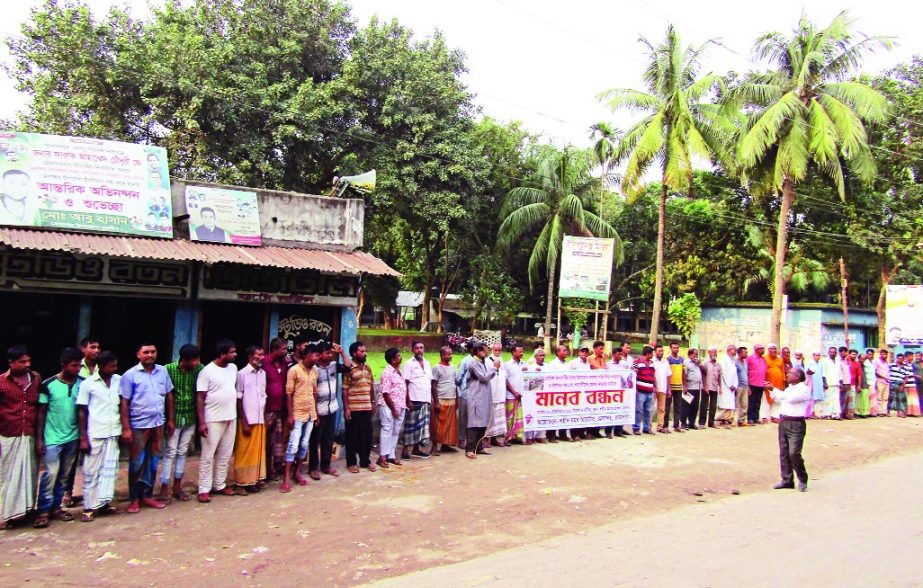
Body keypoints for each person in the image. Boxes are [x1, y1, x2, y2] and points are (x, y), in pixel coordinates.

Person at [120, 341, 174, 514]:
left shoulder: (162, 371)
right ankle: (134, 498)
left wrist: (170, 419)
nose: (150, 355)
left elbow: (169, 395)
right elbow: (124, 402)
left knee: (153, 462)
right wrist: (126, 428)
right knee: (137, 463)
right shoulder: (130, 375)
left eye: (153, 351)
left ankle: (147, 495)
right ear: (138, 354)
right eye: (146, 352)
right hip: (139, 425)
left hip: (158, 423)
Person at [34, 347, 84, 528]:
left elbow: (83, 413)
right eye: (74, 365)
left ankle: (56, 507)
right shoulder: (48, 385)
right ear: (63, 365)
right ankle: (43, 510)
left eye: (79, 365)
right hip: (52, 438)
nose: (77, 369)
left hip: (73, 437)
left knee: (64, 475)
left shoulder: (83, 384)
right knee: (50, 474)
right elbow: (41, 414)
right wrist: (39, 439)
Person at [76, 351, 122, 522]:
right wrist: (82, 438)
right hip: (95, 433)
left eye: (115, 365)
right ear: (101, 367)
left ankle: (104, 503)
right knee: (91, 471)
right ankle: (89, 507)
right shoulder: (88, 384)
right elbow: (82, 411)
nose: (114, 368)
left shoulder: (119, 380)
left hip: (113, 431)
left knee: (110, 469)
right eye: (111, 366)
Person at [0, 345, 41, 529]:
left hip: (29, 433)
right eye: (22, 362)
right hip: (9, 434)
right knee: (7, 475)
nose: (27, 365)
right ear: (11, 363)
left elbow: (39, 408)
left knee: (29, 474)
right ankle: (5, 514)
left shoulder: (35, 378)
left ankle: (26, 510)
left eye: (28, 361)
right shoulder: (2, 382)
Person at [196, 339, 241, 502]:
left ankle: (219, 484)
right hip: (212, 418)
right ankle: (203, 488)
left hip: (231, 416)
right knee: (208, 454)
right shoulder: (207, 371)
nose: (235, 355)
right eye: (232, 352)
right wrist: (201, 422)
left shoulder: (233, 368)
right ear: (222, 354)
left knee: (225, 453)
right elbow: (200, 398)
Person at [161, 344, 202, 502]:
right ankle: (164, 487)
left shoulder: (199, 370)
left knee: (182, 451)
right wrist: (170, 419)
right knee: (170, 451)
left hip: (190, 416)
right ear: (185, 360)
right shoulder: (168, 370)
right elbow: (167, 394)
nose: (197, 362)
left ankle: (177, 486)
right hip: (175, 417)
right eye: (195, 359)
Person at [282, 343, 319, 490]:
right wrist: (290, 415)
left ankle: (297, 473)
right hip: (297, 413)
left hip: (310, 413)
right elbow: (289, 393)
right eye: (316, 355)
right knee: (293, 445)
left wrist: (316, 413)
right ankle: (286, 478)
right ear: (308, 355)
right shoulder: (294, 370)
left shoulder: (315, 371)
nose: (317, 358)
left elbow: (314, 392)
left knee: (304, 445)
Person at [767, 367, 811, 492]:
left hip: (796, 423)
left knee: (794, 453)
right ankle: (787, 480)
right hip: (784, 421)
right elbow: (780, 398)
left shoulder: (803, 389)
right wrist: (773, 389)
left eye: (790, 373)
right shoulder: (790, 388)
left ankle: (802, 479)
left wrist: (779, 393)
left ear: (797, 377)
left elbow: (789, 398)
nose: (787, 374)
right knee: (784, 453)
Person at [310, 342, 349, 479]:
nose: (330, 355)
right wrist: (314, 413)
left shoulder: (333, 365)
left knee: (328, 439)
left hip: (332, 408)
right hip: (319, 410)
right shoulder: (313, 369)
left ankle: (326, 466)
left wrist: (342, 352)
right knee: (315, 440)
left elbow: (348, 367)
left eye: (330, 352)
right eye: (327, 353)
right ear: (320, 355)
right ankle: (313, 468)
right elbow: (311, 392)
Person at [235, 345, 267, 492]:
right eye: (258, 355)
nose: (261, 358)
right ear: (250, 357)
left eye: (262, 355)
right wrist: (244, 421)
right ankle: (243, 481)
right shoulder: (242, 374)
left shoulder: (263, 374)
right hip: (248, 419)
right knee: (245, 451)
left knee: (258, 451)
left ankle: (256, 479)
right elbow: (239, 398)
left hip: (260, 418)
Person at [343, 341, 376, 473]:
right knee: (352, 437)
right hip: (353, 408)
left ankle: (365, 461)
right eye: (362, 351)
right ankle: (351, 463)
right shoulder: (348, 367)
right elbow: (345, 389)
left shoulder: (367, 367)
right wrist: (346, 408)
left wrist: (373, 402)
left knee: (366, 436)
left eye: (365, 351)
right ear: (354, 353)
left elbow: (371, 385)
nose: (365, 353)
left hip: (366, 407)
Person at [465, 343, 498, 459]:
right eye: (484, 350)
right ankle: (469, 449)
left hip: (483, 397)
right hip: (476, 397)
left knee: (482, 422)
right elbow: (483, 377)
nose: (487, 352)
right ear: (478, 351)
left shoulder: (482, 362)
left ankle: (478, 447)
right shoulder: (473, 363)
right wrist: (495, 368)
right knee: (474, 423)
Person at [263, 337, 289, 480]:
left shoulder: (286, 364)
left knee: (277, 442)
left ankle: (274, 469)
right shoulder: (264, 363)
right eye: (283, 349)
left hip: (280, 409)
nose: (286, 351)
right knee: (265, 441)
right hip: (267, 409)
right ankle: (263, 471)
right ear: (274, 350)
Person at [402, 342, 434, 459]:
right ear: (412, 350)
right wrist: (407, 400)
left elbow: (429, 381)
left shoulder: (427, 363)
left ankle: (416, 449)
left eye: (421, 348)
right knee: (411, 425)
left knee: (421, 426)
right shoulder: (408, 364)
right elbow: (405, 383)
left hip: (425, 398)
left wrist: (430, 398)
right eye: (417, 348)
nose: (419, 350)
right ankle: (405, 450)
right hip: (414, 399)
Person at [378, 347, 408, 468]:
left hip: (400, 405)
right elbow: (385, 393)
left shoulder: (399, 371)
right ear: (393, 359)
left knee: (396, 431)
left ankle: (391, 455)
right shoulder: (387, 372)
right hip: (388, 405)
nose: (401, 357)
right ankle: (382, 456)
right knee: (387, 429)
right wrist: (393, 409)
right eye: (399, 356)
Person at [430, 346, 459, 455]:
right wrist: (436, 401)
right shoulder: (437, 368)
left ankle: (445, 445)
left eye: (451, 354)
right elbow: (433, 385)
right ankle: (434, 447)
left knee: (450, 424)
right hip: (441, 399)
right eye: (448, 354)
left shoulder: (453, 367)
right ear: (442, 355)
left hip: (451, 398)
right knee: (437, 424)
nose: (450, 356)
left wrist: (457, 399)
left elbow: (455, 384)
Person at [485, 342, 509, 447]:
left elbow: (505, 376)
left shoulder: (502, 361)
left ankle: (495, 438)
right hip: (491, 393)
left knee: (498, 417)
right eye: (495, 350)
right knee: (489, 416)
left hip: (500, 393)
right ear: (492, 350)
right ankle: (486, 438)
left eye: (499, 350)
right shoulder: (487, 361)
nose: (497, 352)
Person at [523, 348, 548, 443]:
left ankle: (540, 436)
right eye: (540, 355)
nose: (542, 357)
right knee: (530, 415)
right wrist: (537, 375)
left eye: (543, 355)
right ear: (535, 357)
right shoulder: (530, 367)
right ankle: (529, 437)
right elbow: (528, 384)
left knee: (541, 415)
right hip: (532, 396)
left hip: (544, 396)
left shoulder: (547, 367)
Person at [455, 346, 477, 448]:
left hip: (477, 395)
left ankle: (471, 440)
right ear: (470, 349)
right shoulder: (465, 361)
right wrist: (463, 388)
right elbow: (459, 378)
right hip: (465, 394)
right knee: (463, 417)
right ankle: (461, 439)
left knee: (473, 419)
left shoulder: (480, 361)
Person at [504, 344, 526, 444]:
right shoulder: (507, 365)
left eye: (522, 351)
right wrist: (514, 392)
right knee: (510, 417)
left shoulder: (524, 364)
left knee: (519, 417)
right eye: (519, 351)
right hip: (510, 395)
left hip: (522, 396)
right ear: (513, 352)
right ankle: (508, 438)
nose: (522, 353)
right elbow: (506, 380)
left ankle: (518, 436)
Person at [632, 346, 656, 435]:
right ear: (648, 354)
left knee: (648, 410)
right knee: (639, 410)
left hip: (650, 390)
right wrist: (635, 389)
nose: (653, 355)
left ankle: (646, 428)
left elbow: (653, 375)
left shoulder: (652, 363)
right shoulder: (637, 362)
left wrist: (654, 386)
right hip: (641, 390)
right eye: (652, 353)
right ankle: (636, 428)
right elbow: (633, 376)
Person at [716, 344, 739, 429]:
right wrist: (730, 385)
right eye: (734, 350)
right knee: (725, 404)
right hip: (725, 386)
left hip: (732, 386)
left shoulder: (733, 361)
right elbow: (724, 374)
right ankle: (720, 420)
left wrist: (735, 385)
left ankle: (728, 420)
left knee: (730, 404)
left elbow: (735, 374)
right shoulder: (724, 360)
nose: (735, 352)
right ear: (729, 351)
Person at [666, 342, 687, 433]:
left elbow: (683, 374)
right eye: (674, 348)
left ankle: (676, 425)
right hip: (670, 387)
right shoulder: (668, 359)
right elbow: (667, 374)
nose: (676, 349)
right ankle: (665, 425)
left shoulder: (681, 359)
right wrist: (668, 388)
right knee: (667, 407)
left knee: (678, 407)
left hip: (679, 387)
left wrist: (684, 385)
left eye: (677, 348)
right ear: (670, 348)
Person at [652, 344, 672, 434]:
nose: (661, 352)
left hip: (663, 388)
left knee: (662, 409)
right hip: (654, 388)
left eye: (662, 351)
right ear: (655, 352)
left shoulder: (665, 362)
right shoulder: (652, 361)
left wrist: (669, 389)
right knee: (651, 408)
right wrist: (653, 386)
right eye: (659, 351)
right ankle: (648, 426)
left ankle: (660, 426)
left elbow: (668, 376)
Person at [746, 344, 767, 424]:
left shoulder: (763, 359)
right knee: (751, 401)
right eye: (762, 349)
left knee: (758, 402)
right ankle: (750, 418)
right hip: (752, 383)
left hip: (761, 384)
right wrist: (748, 386)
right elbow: (746, 371)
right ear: (757, 350)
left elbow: (764, 371)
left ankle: (756, 418)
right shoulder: (750, 358)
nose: (763, 350)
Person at [700, 348, 721, 429]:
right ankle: (702, 423)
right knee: (704, 405)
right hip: (706, 387)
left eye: (715, 352)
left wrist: (720, 388)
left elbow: (719, 376)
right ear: (709, 353)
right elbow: (703, 375)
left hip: (715, 387)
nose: (714, 354)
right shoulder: (705, 362)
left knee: (713, 405)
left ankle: (711, 422)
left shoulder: (718, 364)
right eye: (712, 352)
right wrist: (705, 386)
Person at [764, 345, 785, 422]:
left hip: (778, 383)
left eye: (775, 349)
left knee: (777, 399)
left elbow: (782, 372)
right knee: (766, 400)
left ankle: (775, 417)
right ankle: (765, 417)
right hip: (768, 383)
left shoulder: (780, 360)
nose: (774, 350)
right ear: (768, 350)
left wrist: (784, 381)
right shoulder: (764, 358)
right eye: (772, 349)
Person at [820, 347, 842, 419]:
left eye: (834, 352)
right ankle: (827, 414)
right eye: (831, 352)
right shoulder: (825, 361)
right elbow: (823, 372)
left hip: (836, 383)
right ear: (828, 353)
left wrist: (840, 382)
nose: (832, 353)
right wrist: (824, 383)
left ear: (836, 353)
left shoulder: (838, 361)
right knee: (828, 399)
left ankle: (835, 414)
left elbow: (839, 372)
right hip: (828, 383)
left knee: (836, 399)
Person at [684, 349, 703, 430]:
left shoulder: (696, 363)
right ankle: (684, 423)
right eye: (695, 354)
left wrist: (699, 364)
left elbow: (705, 371)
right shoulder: (686, 363)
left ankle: (692, 422)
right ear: (690, 355)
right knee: (687, 406)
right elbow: (684, 375)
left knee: (695, 406)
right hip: (689, 387)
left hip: (697, 387)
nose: (696, 356)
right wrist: (684, 386)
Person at [805, 351, 825, 418]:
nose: (817, 357)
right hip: (811, 382)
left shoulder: (820, 364)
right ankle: (808, 413)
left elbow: (822, 374)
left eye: (818, 355)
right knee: (810, 398)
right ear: (813, 356)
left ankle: (816, 413)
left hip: (818, 382)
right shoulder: (809, 363)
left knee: (817, 399)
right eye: (816, 355)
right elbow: (807, 372)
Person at [888, 352, 909, 418]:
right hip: (892, 383)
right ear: (896, 359)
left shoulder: (906, 366)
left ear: (903, 359)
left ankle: (900, 412)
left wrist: (903, 385)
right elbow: (887, 373)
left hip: (900, 383)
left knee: (901, 398)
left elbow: (906, 377)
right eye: (898, 358)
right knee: (890, 398)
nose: (899, 360)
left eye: (901, 359)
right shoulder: (892, 365)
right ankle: (887, 411)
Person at [859, 348, 876, 417]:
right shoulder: (864, 362)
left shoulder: (873, 362)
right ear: (867, 354)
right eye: (869, 354)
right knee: (866, 397)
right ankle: (866, 411)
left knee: (872, 397)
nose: (871, 355)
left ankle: (872, 412)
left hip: (872, 381)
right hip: (866, 382)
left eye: (872, 354)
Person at [735, 347, 750, 426]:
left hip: (745, 386)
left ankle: (742, 421)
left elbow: (747, 374)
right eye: (745, 353)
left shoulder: (745, 362)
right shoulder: (735, 362)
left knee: (745, 404)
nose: (746, 354)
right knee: (736, 404)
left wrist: (749, 387)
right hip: (738, 386)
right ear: (740, 353)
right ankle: (732, 420)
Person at [874, 349, 890, 416]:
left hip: (887, 382)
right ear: (880, 354)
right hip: (880, 381)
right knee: (879, 397)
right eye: (884, 354)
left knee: (885, 398)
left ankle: (884, 411)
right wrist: (884, 377)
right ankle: (879, 411)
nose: (885, 355)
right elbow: (875, 372)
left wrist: (887, 379)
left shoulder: (886, 362)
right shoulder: (876, 362)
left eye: (886, 354)